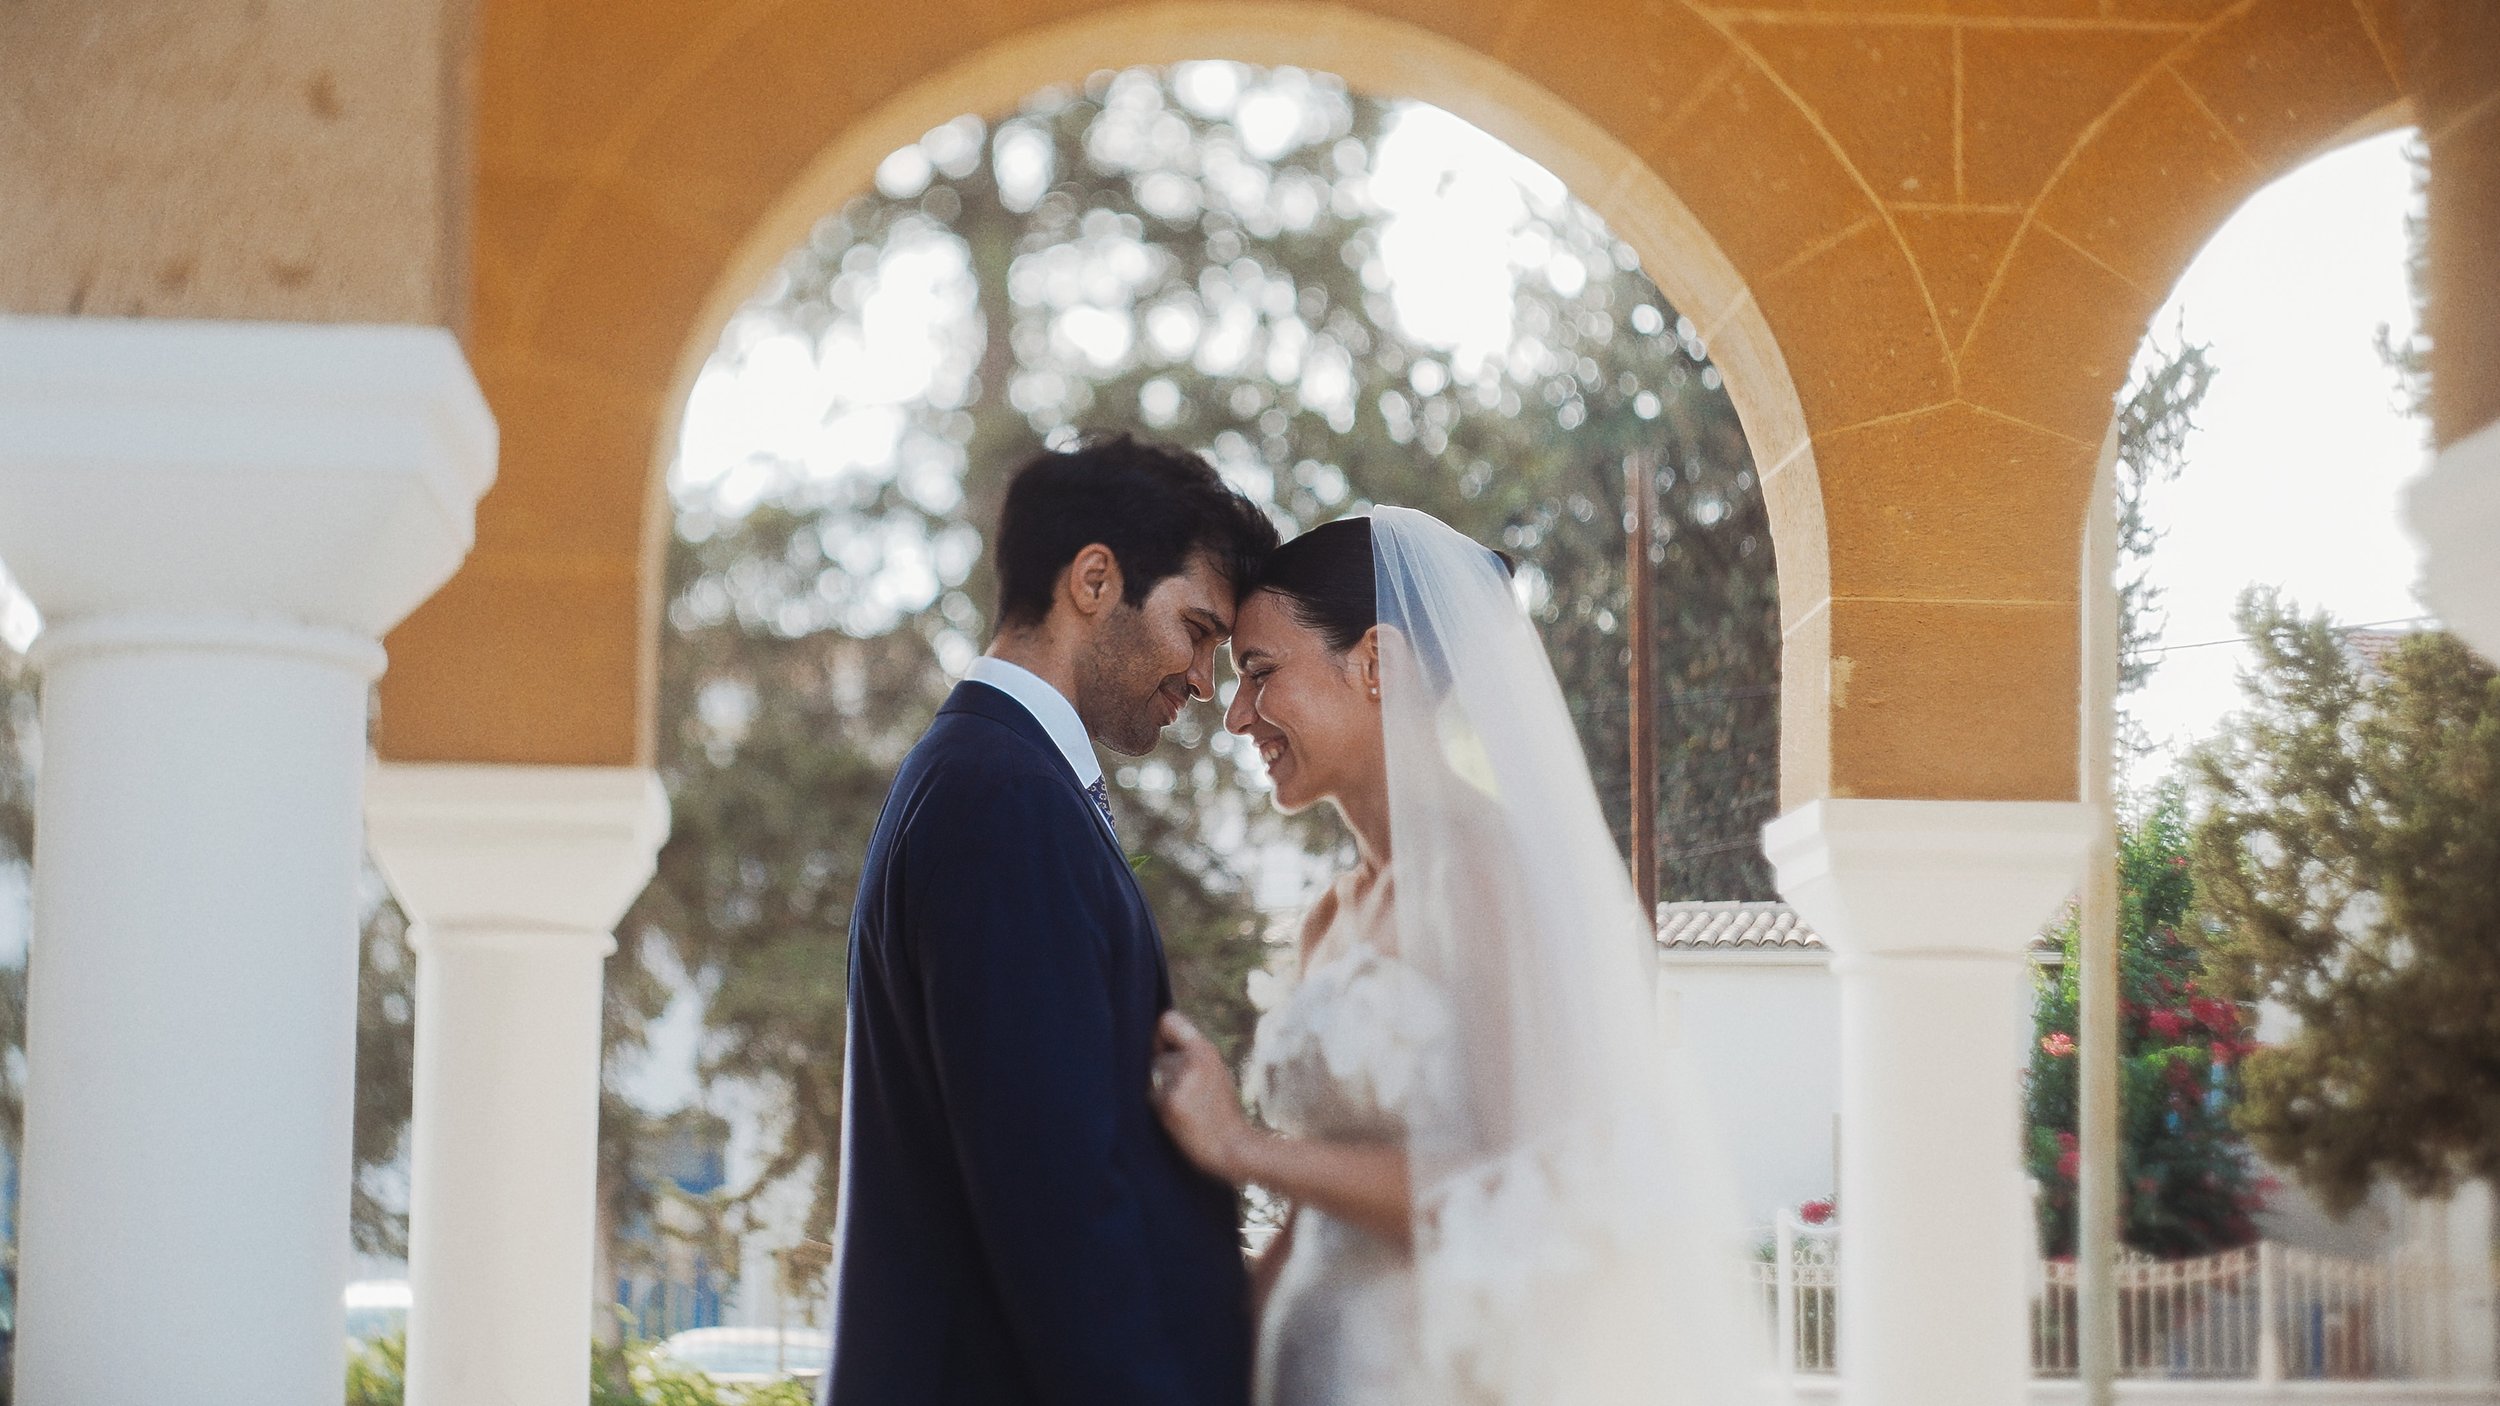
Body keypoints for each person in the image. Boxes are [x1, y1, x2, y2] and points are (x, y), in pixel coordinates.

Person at [1150, 509, 1767, 1406]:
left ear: (1378, 665)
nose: (1238, 715)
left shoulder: (1494, 875)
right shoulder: (1329, 917)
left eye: (1262, 673)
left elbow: (1517, 1186)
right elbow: (1317, 1212)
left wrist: (1242, 1146)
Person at [822, 434, 1279, 1406]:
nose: (1204, 680)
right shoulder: (1005, 798)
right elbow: (1055, 1208)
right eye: (1196, 628)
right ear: (1095, 578)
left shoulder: (990, 773)